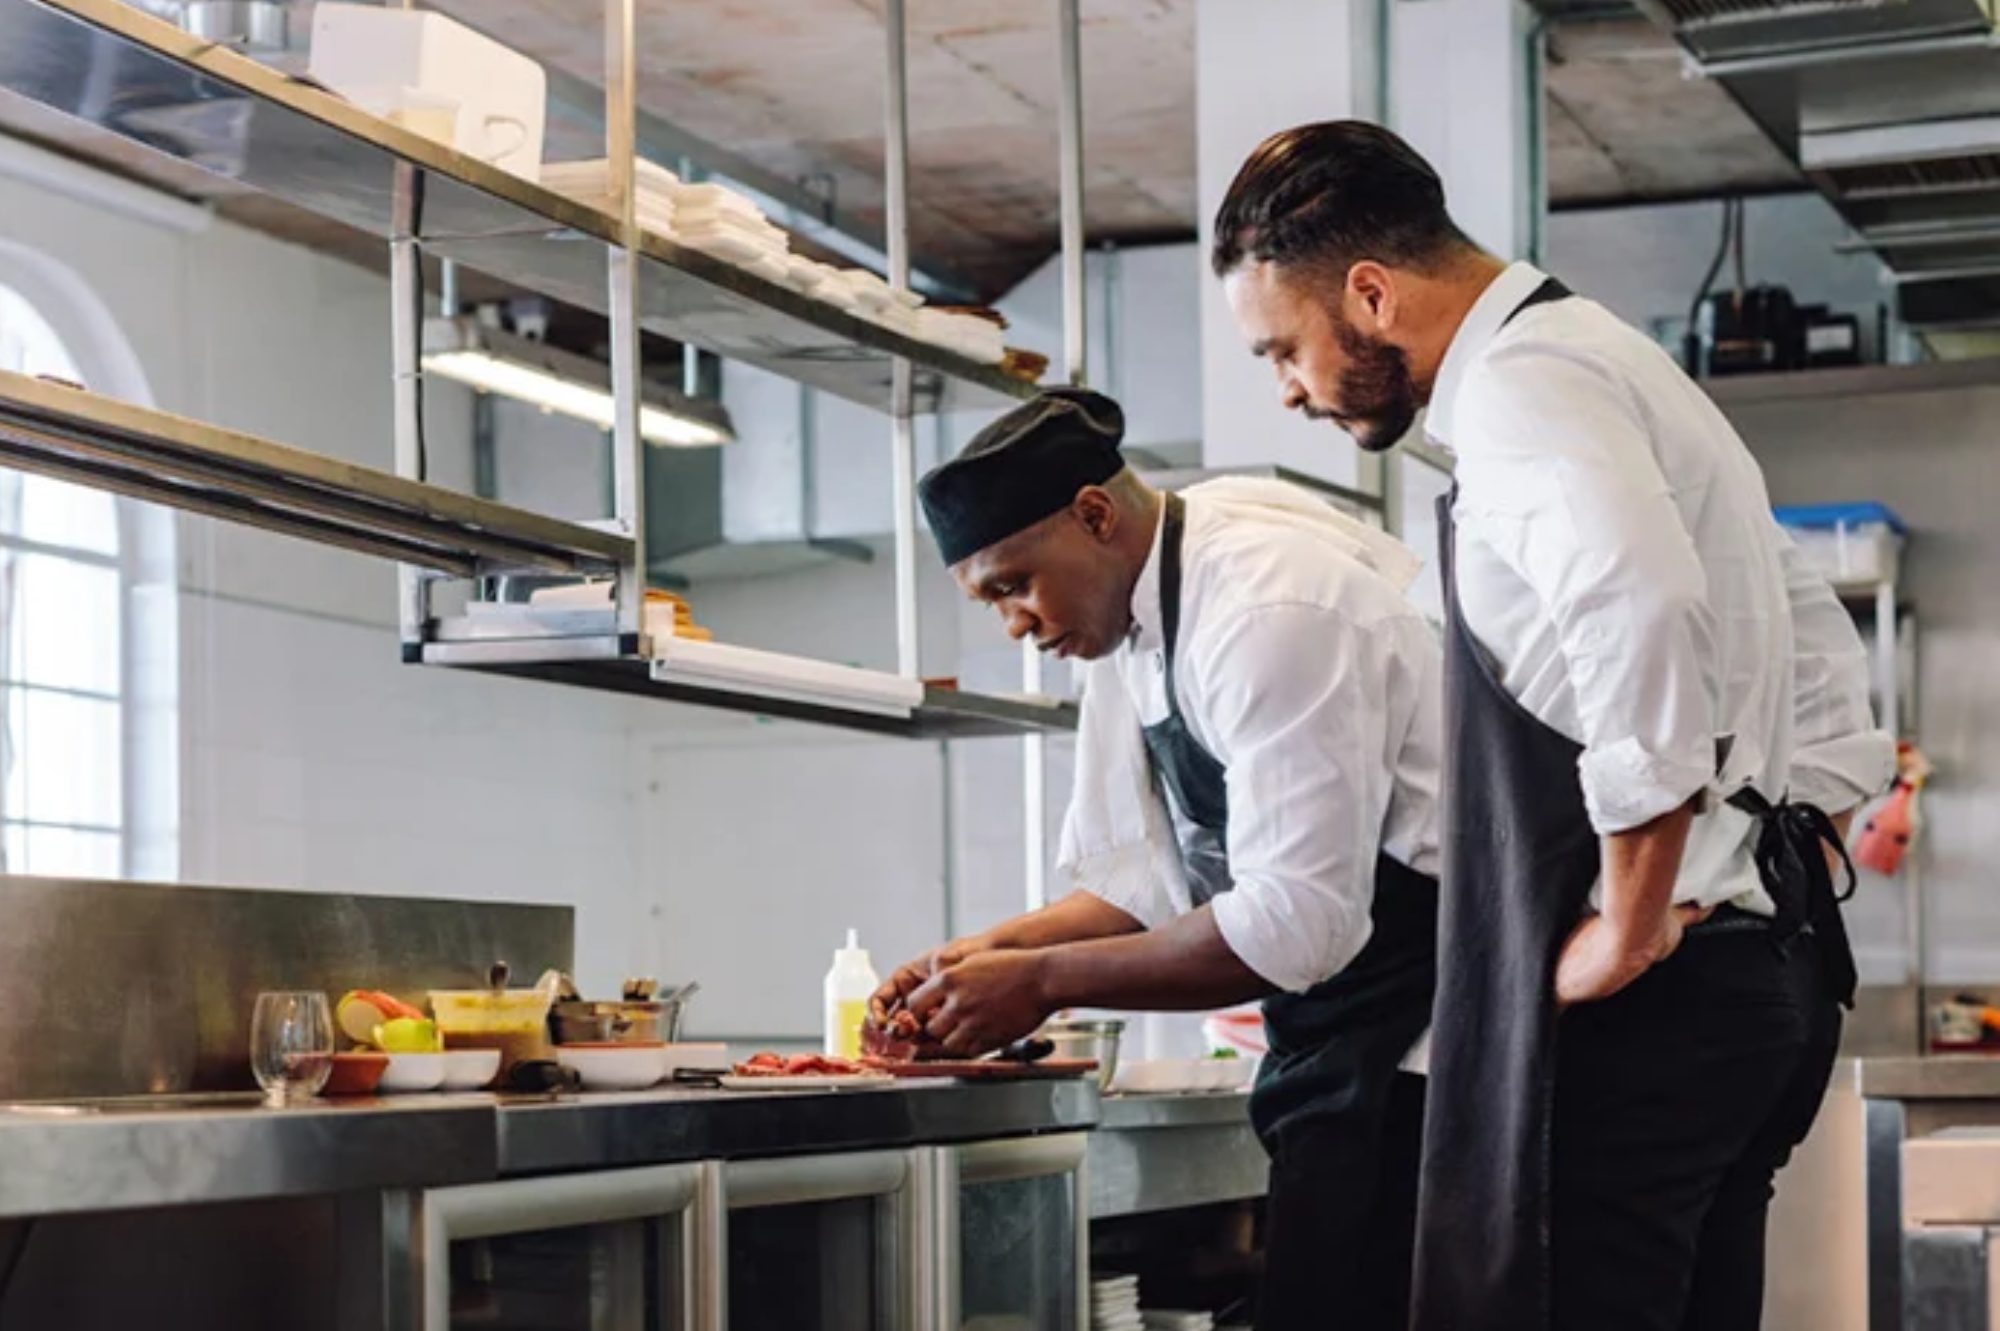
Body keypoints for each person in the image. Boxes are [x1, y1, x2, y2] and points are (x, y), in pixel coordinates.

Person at [1210, 120, 1894, 1331]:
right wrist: (1753, 871)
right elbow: (1824, 667)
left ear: (1368, 292)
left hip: (1660, 1009)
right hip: (1758, 985)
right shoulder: (1611, 363)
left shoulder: (1524, 386)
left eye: (1283, 348)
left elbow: (1639, 607)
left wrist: (1630, 922)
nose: (1287, 388)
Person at [874, 386, 1443, 1331]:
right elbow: (1143, 881)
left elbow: (1297, 923)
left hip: (1427, 1042)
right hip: (1335, 1041)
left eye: (1013, 584)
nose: (1012, 622)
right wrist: (983, 956)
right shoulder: (1126, 623)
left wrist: (1045, 981)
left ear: (1095, 514)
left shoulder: (1265, 604)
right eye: (990, 601)